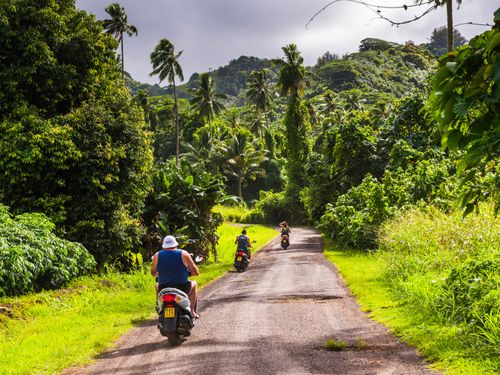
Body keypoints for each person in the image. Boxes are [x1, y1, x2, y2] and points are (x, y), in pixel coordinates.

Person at [151, 235, 200, 318]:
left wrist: (158, 273)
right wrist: (192, 273)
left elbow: (153, 273)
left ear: (164, 246)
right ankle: (192, 311)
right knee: (194, 283)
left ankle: (160, 306)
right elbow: (195, 271)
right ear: (175, 245)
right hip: (182, 288)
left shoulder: (157, 255)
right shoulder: (184, 253)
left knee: (156, 285)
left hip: (164, 288)